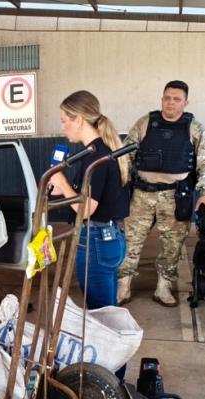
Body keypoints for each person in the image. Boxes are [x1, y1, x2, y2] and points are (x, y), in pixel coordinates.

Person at [119, 80, 205, 307]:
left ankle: (163, 288)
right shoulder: (145, 123)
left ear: (185, 102)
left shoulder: (195, 128)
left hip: (176, 196)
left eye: (176, 99)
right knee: (130, 242)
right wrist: (119, 184)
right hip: (142, 194)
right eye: (167, 98)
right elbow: (126, 156)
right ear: (162, 98)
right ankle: (123, 286)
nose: (170, 103)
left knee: (172, 246)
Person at [48, 90, 131, 309]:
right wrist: (61, 187)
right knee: (107, 309)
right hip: (108, 237)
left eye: (65, 121)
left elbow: (85, 210)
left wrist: (63, 182)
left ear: (79, 119)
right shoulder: (98, 153)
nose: (63, 126)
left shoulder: (97, 158)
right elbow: (85, 195)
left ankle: (108, 344)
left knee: (100, 313)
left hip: (96, 239)